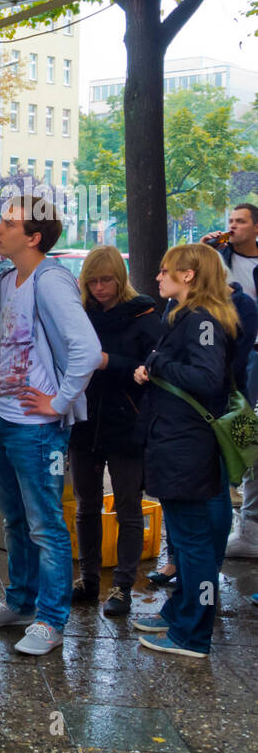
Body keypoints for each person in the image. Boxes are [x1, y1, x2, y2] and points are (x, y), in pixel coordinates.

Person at [0, 196, 101, 655]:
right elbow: (1, 338)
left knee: (45, 526)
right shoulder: (6, 280)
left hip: (38, 428)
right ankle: (21, 602)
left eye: (8, 223)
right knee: (15, 520)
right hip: (2, 418)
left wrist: (60, 401)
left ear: (34, 237)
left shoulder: (52, 281)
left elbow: (86, 349)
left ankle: (51, 619)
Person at [131, 244, 237, 658]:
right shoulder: (190, 316)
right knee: (194, 541)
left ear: (188, 275)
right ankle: (182, 614)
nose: (158, 277)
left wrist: (158, 366)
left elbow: (208, 378)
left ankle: (192, 634)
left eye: (165, 271)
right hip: (183, 443)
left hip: (185, 445)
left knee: (193, 545)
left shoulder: (201, 319)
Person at [69, 247, 160, 617]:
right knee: (86, 506)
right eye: (92, 281)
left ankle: (122, 586)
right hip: (85, 421)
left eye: (106, 280)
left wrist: (111, 363)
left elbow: (153, 367)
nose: (100, 287)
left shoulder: (144, 313)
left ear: (119, 279)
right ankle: (88, 580)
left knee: (127, 507)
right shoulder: (80, 312)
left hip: (128, 421)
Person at [202, 203, 258, 559]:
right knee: (244, 437)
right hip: (241, 357)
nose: (233, 226)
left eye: (240, 221)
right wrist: (207, 251)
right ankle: (249, 532)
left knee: (251, 440)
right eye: (230, 221)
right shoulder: (218, 254)